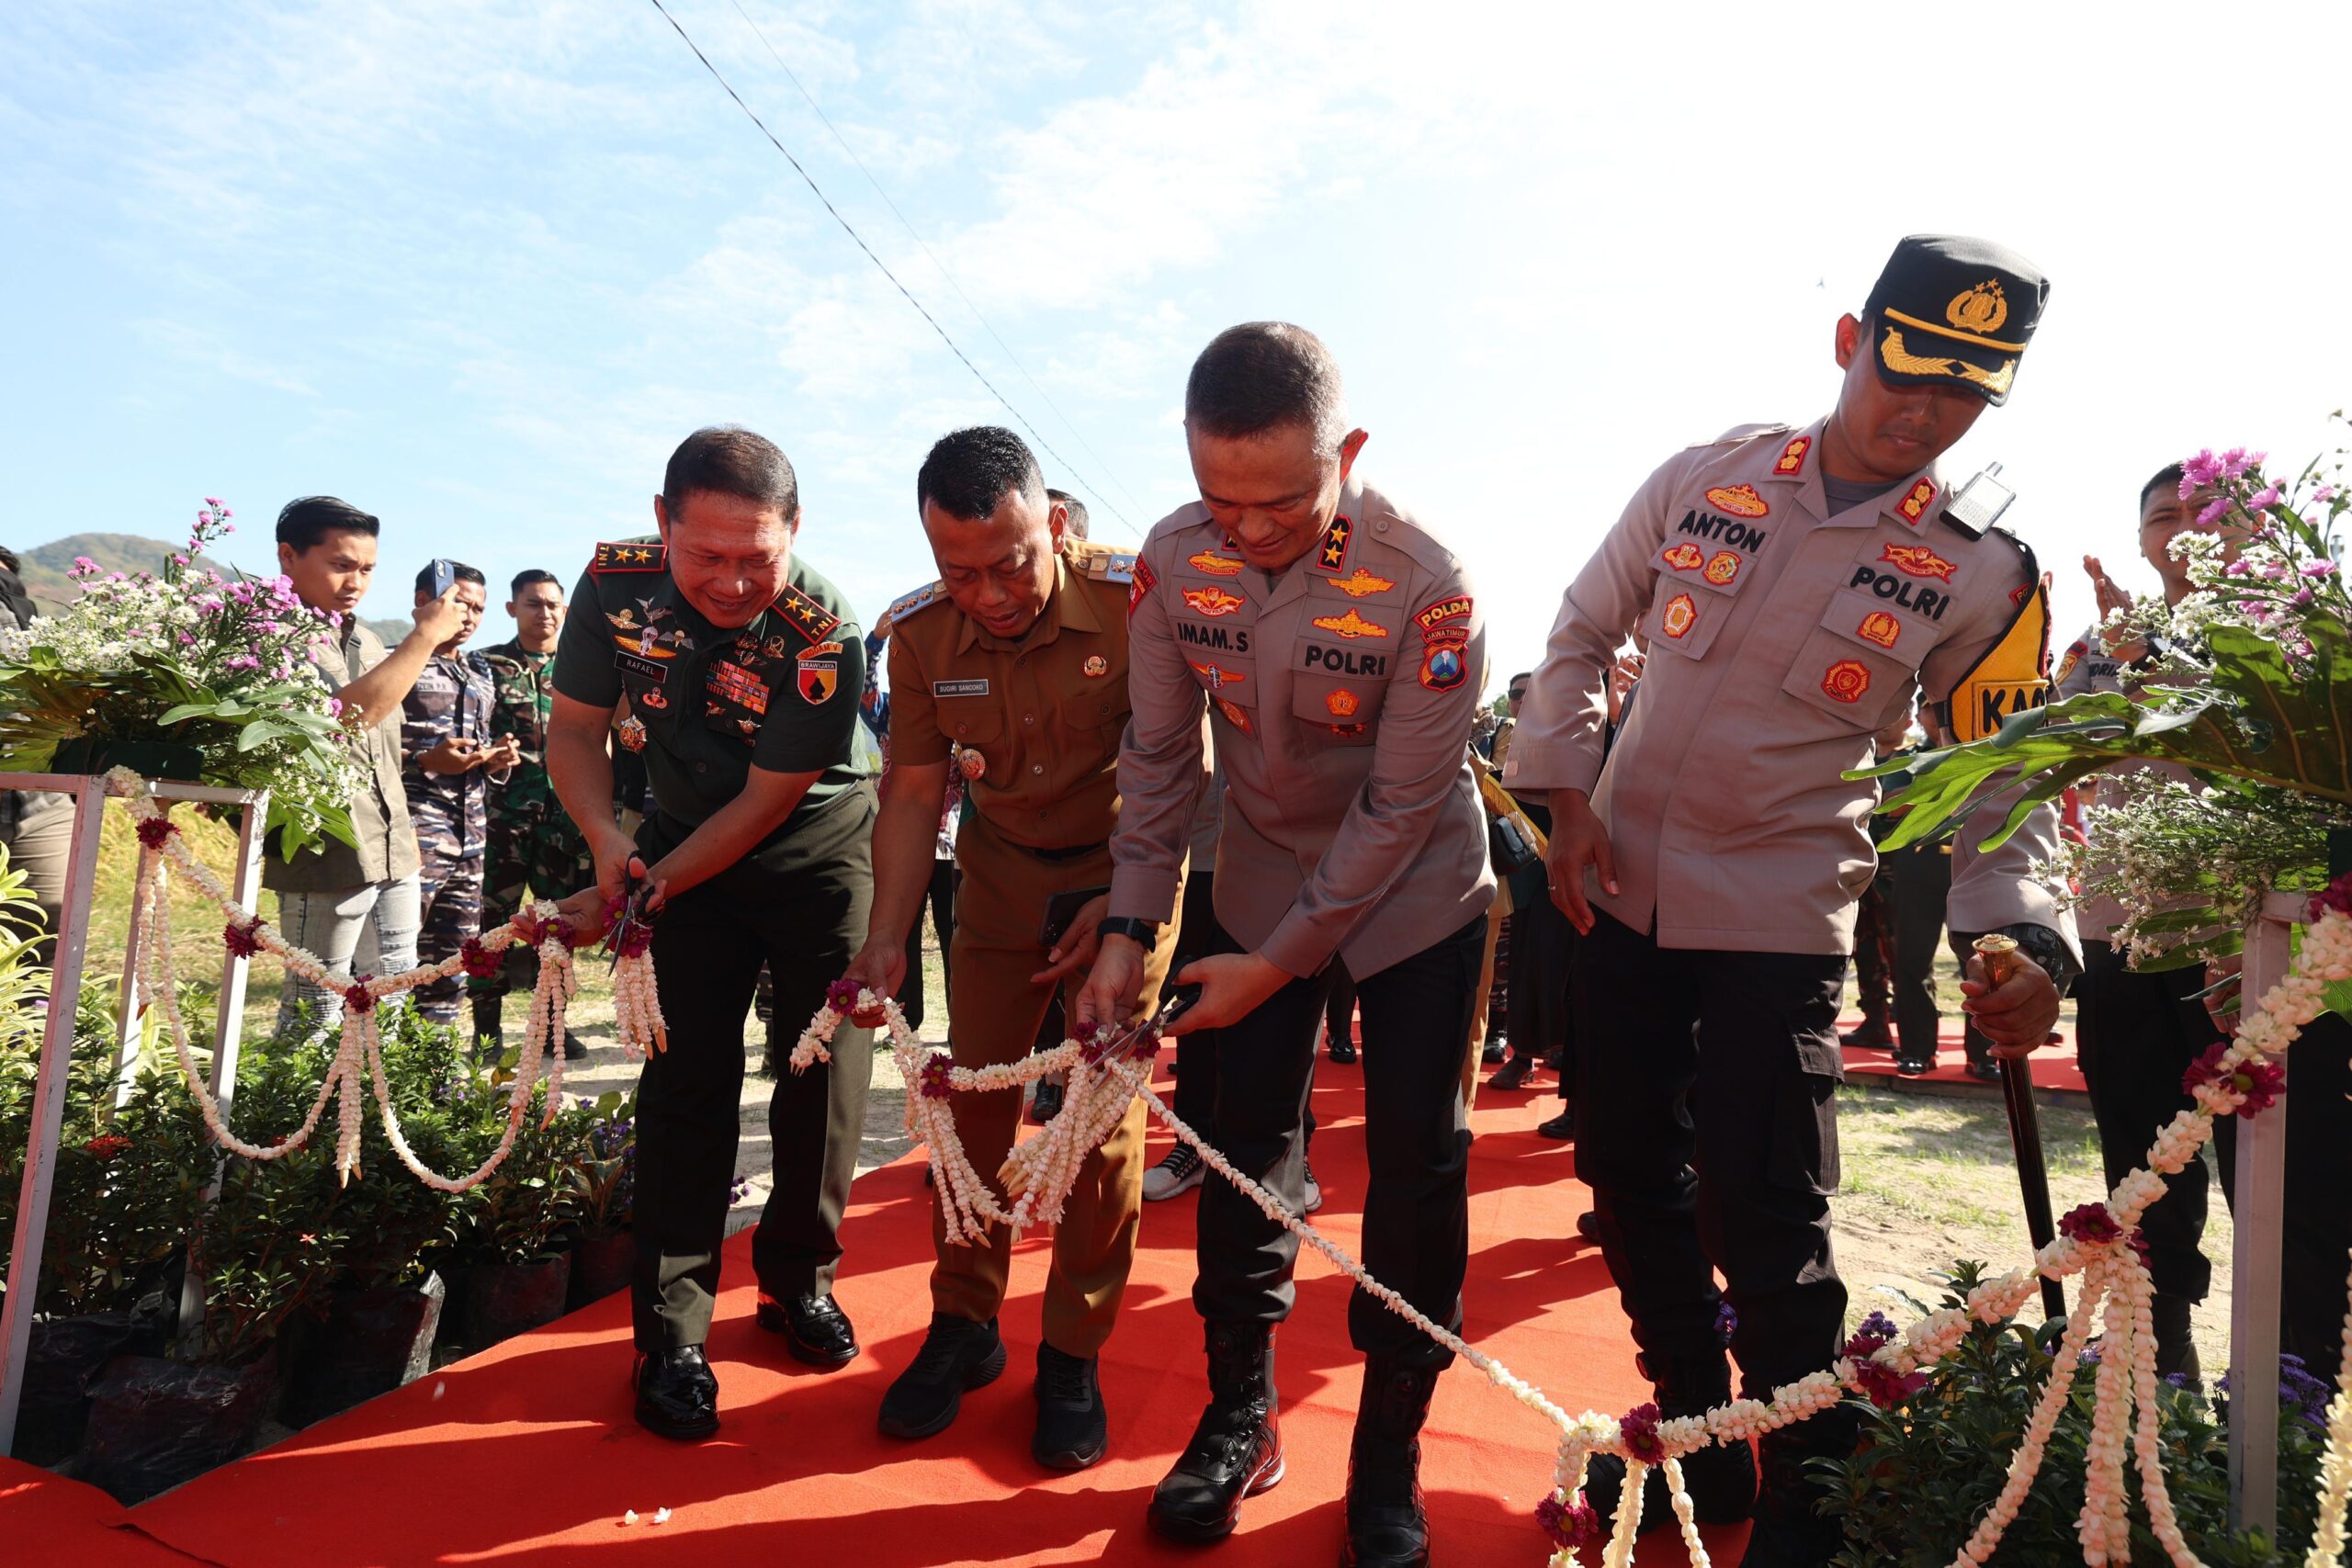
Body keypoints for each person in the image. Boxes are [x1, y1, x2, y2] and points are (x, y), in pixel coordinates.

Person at [1507, 236, 2078, 1563]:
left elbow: (2002, 785)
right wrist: (1568, 796)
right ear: (1849, 339)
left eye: (1966, 390)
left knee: (1770, 1218)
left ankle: (1812, 1493)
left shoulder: (1986, 567)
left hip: (1778, 913)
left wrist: (2028, 935)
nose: (1924, 407)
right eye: (1908, 367)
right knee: (1628, 1172)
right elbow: (1582, 632)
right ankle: (1699, 1437)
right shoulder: (1708, 473)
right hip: (1620, 895)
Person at [1078, 321, 1493, 1567]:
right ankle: (1237, 1411)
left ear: (1348, 453)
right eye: (1220, 498)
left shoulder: (1430, 578)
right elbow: (1157, 762)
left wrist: (1281, 960)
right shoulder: (1167, 560)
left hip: (1416, 892)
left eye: (1281, 502)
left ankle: (1388, 1449)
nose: (1246, 531)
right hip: (1254, 875)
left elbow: (1401, 805)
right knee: (1244, 1152)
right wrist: (1128, 925)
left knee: (1418, 1168)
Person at [840, 425, 1172, 1471]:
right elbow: (909, 791)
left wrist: (1126, 908)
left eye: (1010, 563)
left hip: (1124, 877)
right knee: (968, 1107)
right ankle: (964, 1325)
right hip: (997, 887)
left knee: (1095, 1130)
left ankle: (1070, 1353)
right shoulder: (923, 632)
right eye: (959, 571)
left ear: (1058, 527)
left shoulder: (1135, 602)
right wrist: (886, 936)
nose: (986, 594)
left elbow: (1181, 765)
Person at [545, 425, 876, 1440]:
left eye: (757, 558)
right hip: (678, 842)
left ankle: (797, 1283)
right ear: (662, 524)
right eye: (707, 556)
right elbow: (574, 732)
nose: (733, 584)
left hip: (811, 846)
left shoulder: (825, 628)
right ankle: (672, 1332)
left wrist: (648, 886)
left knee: (823, 1073)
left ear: (796, 531)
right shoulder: (611, 586)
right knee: (683, 1079)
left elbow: (771, 801)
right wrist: (607, 838)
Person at [266, 497, 469, 1035]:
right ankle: (290, 1121)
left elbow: (378, 744)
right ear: (289, 556)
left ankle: (376, 1118)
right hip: (327, 853)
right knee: (315, 1009)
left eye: (368, 568)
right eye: (341, 565)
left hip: (392, 846)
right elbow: (345, 718)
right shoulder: (268, 638)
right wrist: (426, 635)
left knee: (392, 999)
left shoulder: (369, 639)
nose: (356, 581)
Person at [467, 570, 596, 1056]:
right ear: (512, 609)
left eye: (552, 605)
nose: (544, 613)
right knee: (493, 924)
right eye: (533, 604)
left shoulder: (582, 667)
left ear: (565, 610)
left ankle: (551, 1027)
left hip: (565, 822)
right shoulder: (486, 666)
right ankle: (487, 1031)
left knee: (559, 924)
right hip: (503, 818)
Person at [398, 561, 514, 1028]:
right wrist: (424, 762)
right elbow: (365, 746)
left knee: (453, 958)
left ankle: (435, 1072)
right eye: (460, 603)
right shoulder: (396, 659)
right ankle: (377, 1070)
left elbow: (478, 742)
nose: (469, 616)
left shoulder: (481, 670)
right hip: (413, 831)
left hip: (470, 832)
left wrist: (496, 759)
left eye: (479, 609)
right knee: (394, 955)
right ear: (423, 603)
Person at [1839, 710, 1913, 1054]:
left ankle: (1914, 1040)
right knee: (1865, 951)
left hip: (1893, 873)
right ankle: (1875, 1024)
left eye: (1896, 715)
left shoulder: (1912, 760)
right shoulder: (1857, 755)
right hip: (1854, 869)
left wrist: (1868, 803)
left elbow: (1909, 800)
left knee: (1902, 954)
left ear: (1908, 721)